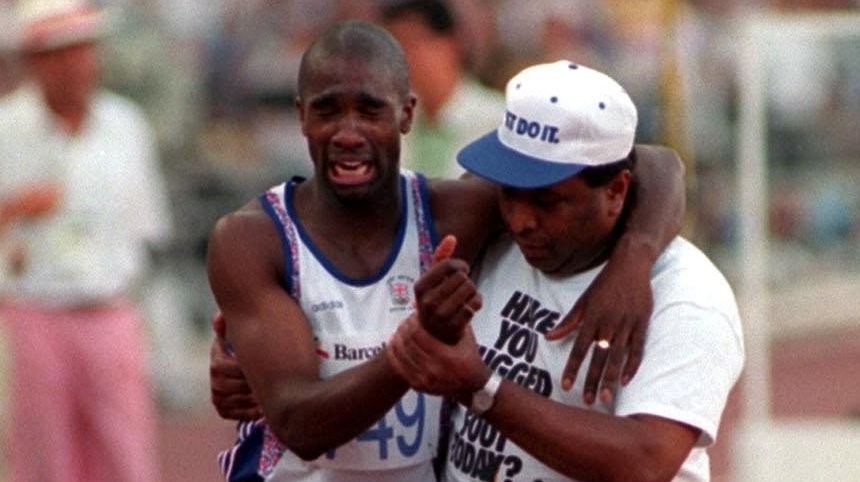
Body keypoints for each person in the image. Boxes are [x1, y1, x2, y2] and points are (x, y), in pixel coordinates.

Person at [206, 20, 685, 482]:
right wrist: (420, 345)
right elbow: (299, 424)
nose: (348, 133)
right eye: (328, 110)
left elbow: (655, 163)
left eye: (371, 111)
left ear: (408, 114)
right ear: (301, 116)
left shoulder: (452, 213)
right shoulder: (254, 239)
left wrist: (633, 261)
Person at [385, 60, 745, 482]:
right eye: (508, 192)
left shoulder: (686, 295)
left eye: (548, 201)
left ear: (616, 190)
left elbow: (645, 461)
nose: (520, 220)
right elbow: (660, 162)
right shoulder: (497, 238)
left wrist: (480, 388)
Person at [0, 1, 172, 481]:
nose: (75, 65)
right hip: (32, 312)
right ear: (33, 61)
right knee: (42, 458)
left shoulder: (125, 127)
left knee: (125, 454)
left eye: (81, 51)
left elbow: (147, 230)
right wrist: (13, 209)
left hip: (111, 309)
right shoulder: (6, 131)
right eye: (58, 53)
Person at [379, 0, 506, 179]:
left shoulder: (498, 120)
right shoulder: (393, 123)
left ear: (452, 43)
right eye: (394, 47)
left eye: (412, 41)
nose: (404, 57)